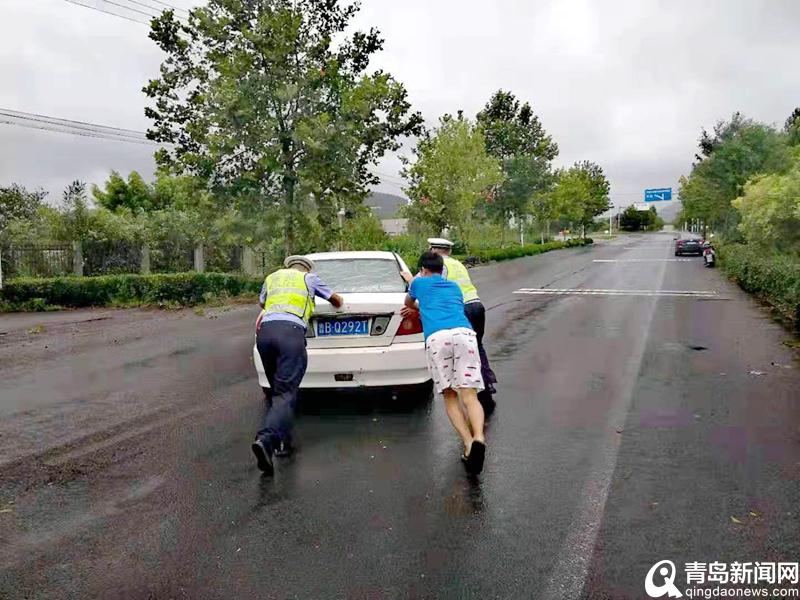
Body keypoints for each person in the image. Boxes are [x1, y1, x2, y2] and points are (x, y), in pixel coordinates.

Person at [252, 255, 343, 475]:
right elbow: (336, 300)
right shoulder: (309, 279)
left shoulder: (272, 277)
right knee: (285, 393)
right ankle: (267, 440)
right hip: (290, 335)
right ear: (306, 269)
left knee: (277, 392)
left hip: (265, 334)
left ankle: (284, 444)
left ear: (289, 267)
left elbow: (262, 303)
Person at [403, 251, 487, 474]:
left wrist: (411, 287)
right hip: (464, 334)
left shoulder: (419, 283)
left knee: (450, 395)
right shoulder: (454, 288)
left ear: (422, 269)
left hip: (438, 338)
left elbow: (409, 301)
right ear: (443, 269)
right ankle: (479, 437)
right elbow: (443, 306)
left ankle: (468, 444)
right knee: (469, 395)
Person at [426, 238, 498, 410]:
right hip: (477, 306)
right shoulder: (458, 264)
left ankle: (468, 389)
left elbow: (435, 287)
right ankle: (487, 385)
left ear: (434, 251)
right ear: (449, 251)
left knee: (463, 351)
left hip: (461, 310)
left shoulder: (440, 266)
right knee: (477, 346)